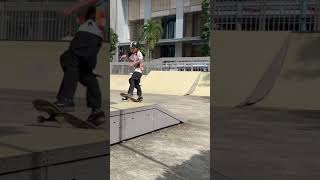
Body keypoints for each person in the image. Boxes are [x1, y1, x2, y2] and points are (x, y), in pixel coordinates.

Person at [55, 6, 105, 124]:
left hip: (86, 35)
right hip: (95, 40)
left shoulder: (94, 11)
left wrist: (71, 8)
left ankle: (66, 99)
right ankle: (96, 111)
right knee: (86, 73)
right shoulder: (100, 16)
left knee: (68, 60)